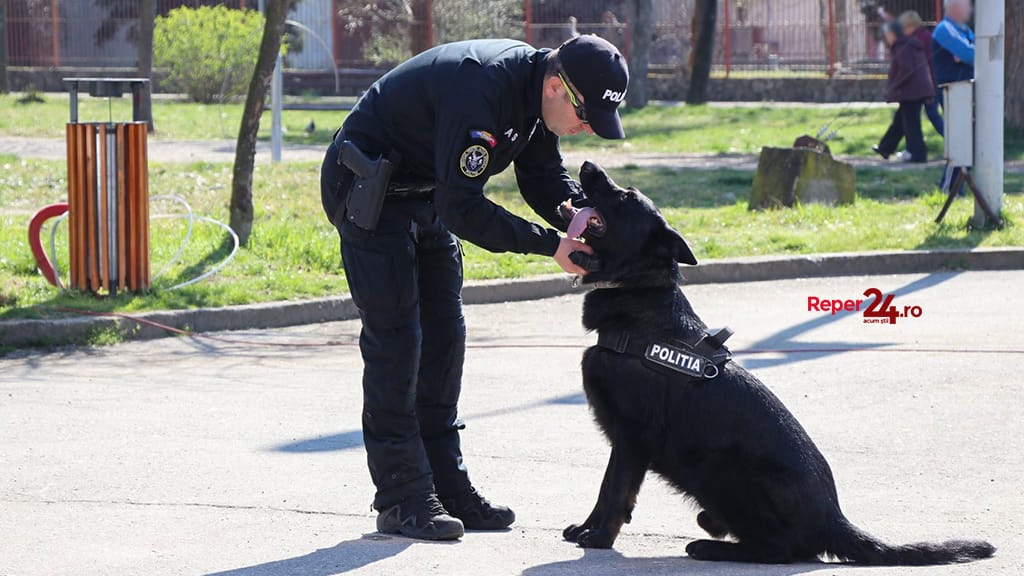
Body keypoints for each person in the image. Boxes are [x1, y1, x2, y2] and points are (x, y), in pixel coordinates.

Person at [319, 36, 628, 541]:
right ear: (557, 86)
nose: (588, 128)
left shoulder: (535, 94)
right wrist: (550, 245)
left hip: (426, 193)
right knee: (397, 341)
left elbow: (541, 171)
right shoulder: (484, 88)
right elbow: (462, 208)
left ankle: (446, 484)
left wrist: (573, 212)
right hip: (367, 188)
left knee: (445, 338)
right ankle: (402, 498)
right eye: (586, 116)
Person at [872, 21, 933, 163]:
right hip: (916, 89)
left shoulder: (901, 46)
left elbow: (906, 69)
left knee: (911, 125)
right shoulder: (909, 43)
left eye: (886, 35)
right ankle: (885, 148)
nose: (886, 38)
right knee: (900, 121)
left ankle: (918, 155)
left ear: (892, 34)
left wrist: (894, 86)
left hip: (910, 91)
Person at [900, 11, 943, 136]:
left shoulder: (915, 40)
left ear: (910, 26)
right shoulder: (927, 36)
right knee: (913, 117)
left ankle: (953, 140)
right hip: (932, 80)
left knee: (930, 115)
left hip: (926, 84)